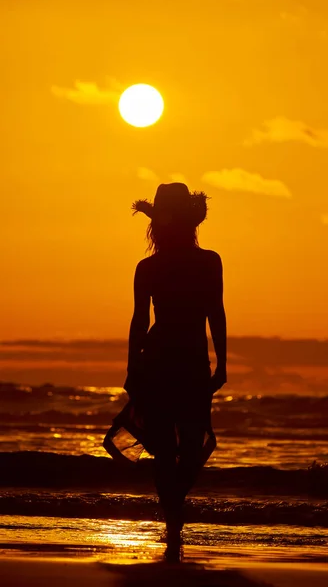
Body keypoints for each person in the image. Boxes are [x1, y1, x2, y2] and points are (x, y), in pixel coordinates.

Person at [124, 182, 227, 561]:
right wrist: (222, 362)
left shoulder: (153, 266)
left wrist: (133, 368)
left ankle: (172, 512)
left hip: (163, 361)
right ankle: (173, 518)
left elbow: (139, 323)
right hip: (186, 361)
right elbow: (214, 313)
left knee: (173, 450)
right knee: (186, 446)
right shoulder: (206, 261)